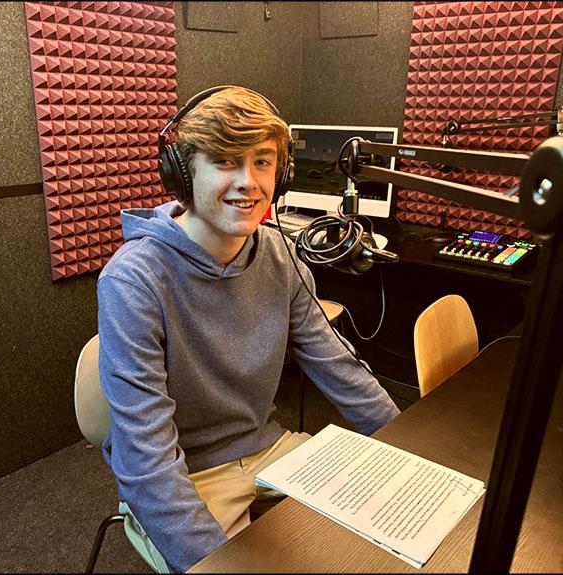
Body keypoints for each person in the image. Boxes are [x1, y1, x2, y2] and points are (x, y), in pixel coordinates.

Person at [97, 86, 400, 572]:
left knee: (391, 521)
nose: (249, 183)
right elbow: (145, 457)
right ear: (181, 174)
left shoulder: (281, 254)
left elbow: (340, 367)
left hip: (269, 449)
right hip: (186, 475)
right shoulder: (134, 281)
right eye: (224, 162)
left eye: (262, 162)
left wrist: (409, 449)